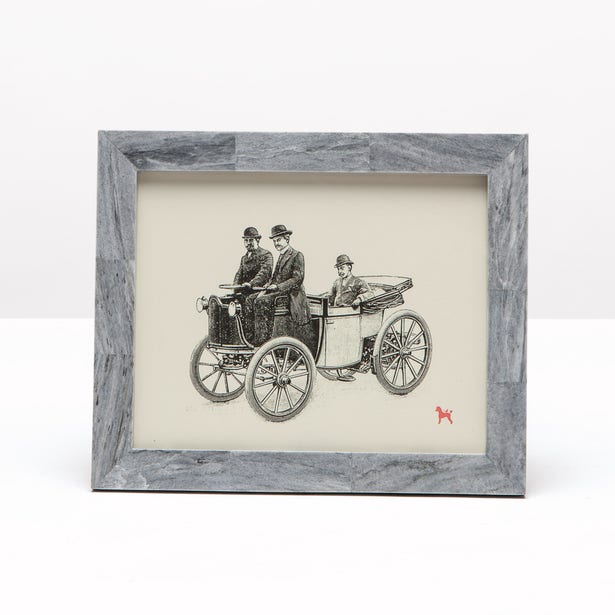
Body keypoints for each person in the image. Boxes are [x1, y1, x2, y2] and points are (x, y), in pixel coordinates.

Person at [246, 225, 311, 346]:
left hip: (291, 295)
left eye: (278, 240)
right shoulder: (281, 256)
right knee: (250, 299)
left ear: (287, 239)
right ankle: (249, 337)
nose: (276, 243)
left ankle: (262, 340)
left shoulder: (297, 255)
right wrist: (266, 287)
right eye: (274, 241)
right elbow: (274, 277)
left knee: (261, 301)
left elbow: (297, 279)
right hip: (278, 292)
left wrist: (277, 287)